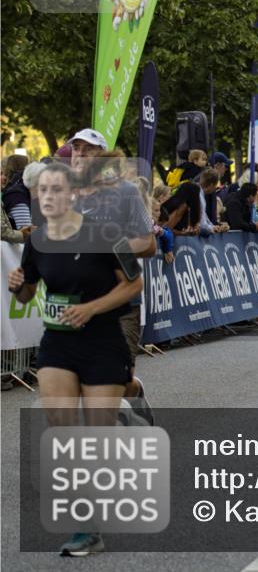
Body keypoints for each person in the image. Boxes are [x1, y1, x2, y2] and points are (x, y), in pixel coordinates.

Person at [7, 162, 144, 556]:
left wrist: (92, 308)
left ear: (73, 194)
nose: (47, 197)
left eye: (55, 190)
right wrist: (19, 285)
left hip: (102, 341)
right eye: (42, 191)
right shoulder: (37, 241)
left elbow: (135, 283)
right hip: (59, 343)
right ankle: (87, 527)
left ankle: (129, 400)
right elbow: (27, 293)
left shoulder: (105, 234)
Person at [70, 130, 154, 422]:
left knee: (112, 379)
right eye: (76, 149)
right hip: (80, 303)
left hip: (122, 300)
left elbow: (148, 243)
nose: (79, 154)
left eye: (88, 149)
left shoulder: (126, 192)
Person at [2, 154, 32, 230]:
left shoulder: (17, 192)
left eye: (4, 173)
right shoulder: (17, 194)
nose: (4, 177)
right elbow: (26, 230)